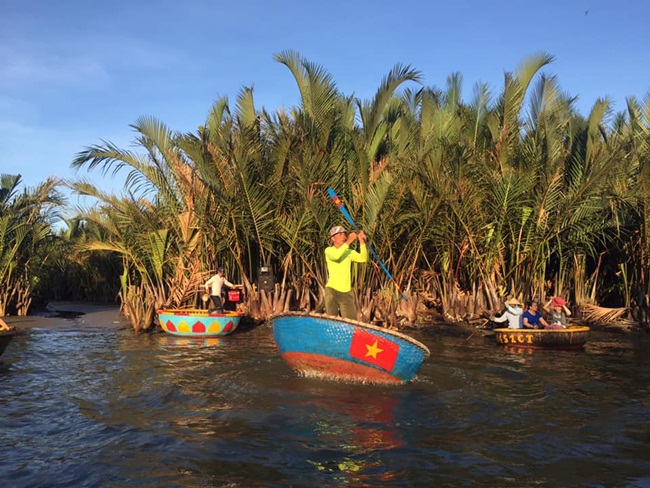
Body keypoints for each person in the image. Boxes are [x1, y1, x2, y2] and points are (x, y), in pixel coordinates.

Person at [324, 225, 368, 320]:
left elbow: (363, 258)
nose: (343, 236)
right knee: (332, 321)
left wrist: (362, 242)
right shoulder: (329, 251)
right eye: (339, 234)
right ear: (333, 238)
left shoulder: (349, 252)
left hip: (346, 292)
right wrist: (349, 241)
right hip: (332, 291)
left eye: (344, 234)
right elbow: (337, 256)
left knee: (351, 322)